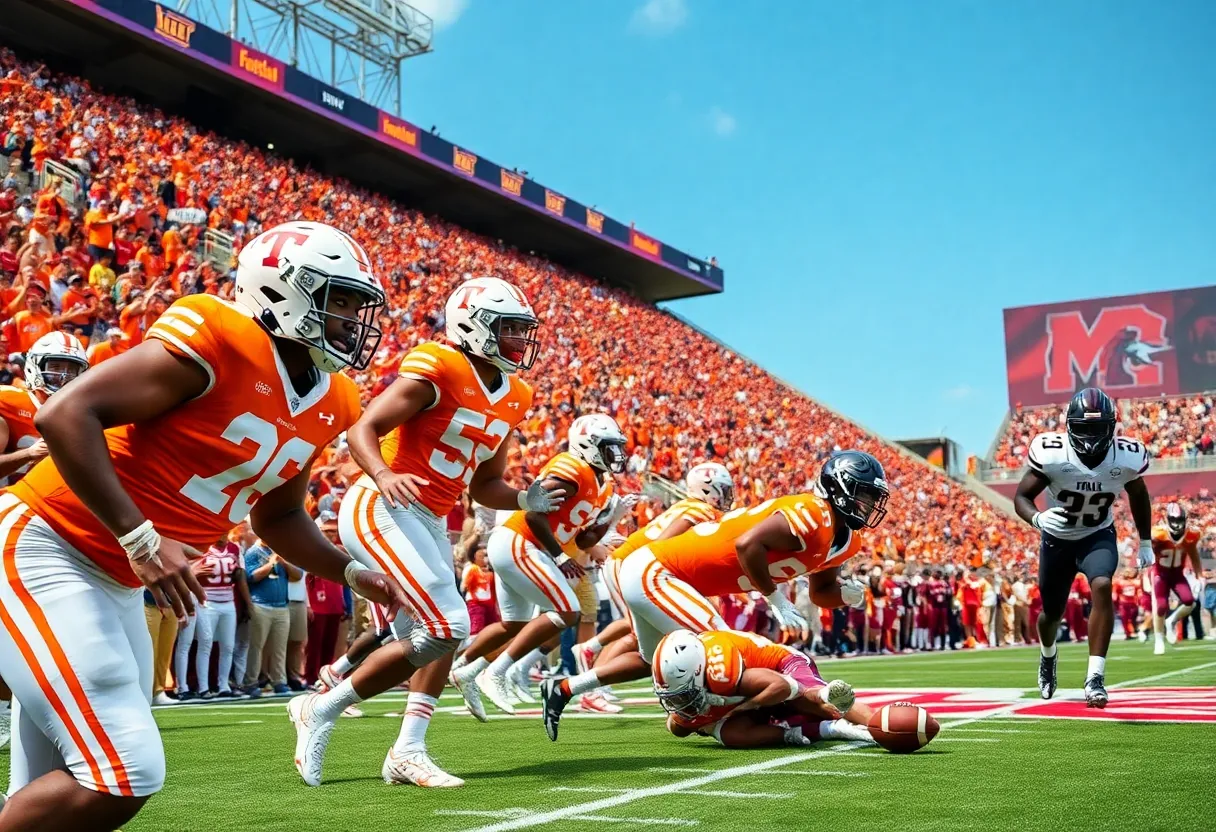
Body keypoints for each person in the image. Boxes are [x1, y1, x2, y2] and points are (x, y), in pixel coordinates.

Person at [0, 220, 407, 831]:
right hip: (47, 542)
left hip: (117, 582)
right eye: (339, 300)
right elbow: (66, 413)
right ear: (281, 290)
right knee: (123, 768)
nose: (353, 319)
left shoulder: (337, 398)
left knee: (53, 772)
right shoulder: (218, 334)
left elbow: (280, 514)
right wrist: (140, 536)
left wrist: (351, 571)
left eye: (357, 304)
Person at [289, 276, 560, 788]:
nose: (519, 341)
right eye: (509, 329)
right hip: (382, 504)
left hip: (430, 517)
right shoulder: (440, 364)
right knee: (447, 625)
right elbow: (362, 428)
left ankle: (407, 751)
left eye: (523, 330)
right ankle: (320, 708)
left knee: (435, 638)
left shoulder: (514, 394)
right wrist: (385, 474)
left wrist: (524, 499)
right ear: (474, 326)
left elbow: (486, 485)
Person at [541, 450, 887, 742]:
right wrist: (774, 596)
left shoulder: (846, 540)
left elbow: (821, 592)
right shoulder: (814, 512)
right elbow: (747, 544)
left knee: (650, 659)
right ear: (839, 488)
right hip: (658, 570)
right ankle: (728, 721)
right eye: (864, 494)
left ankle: (565, 689)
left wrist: (848, 596)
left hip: (659, 573)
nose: (869, 504)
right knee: (726, 652)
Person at [450, 413, 631, 717]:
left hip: (523, 545)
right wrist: (559, 557)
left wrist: (610, 519)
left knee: (514, 624)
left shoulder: (602, 484)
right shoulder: (572, 468)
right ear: (588, 445)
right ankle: (497, 672)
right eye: (608, 447)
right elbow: (534, 511)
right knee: (568, 611)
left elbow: (585, 540)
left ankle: (465, 669)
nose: (615, 454)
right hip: (520, 541)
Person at [1014, 387, 1153, 708]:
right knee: (1051, 613)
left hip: (1097, 534)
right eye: (1084, 428)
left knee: (1102, 585)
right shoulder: (1052, 452)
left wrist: (1145, 540)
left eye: (1098, 428)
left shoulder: (1127, 455)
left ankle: (1095, 678)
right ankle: (1048, 656)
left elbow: (1139, 495)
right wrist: (1037, 519)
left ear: (1111, 427)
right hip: (1057, 539)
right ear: (1069, 427)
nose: (1091, 436)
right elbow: (1021, 497)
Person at [571, 462, 734, 712]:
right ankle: (590, 666)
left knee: (642, 639)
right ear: (708, 489)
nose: (727, 496)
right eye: (723, 489)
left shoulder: (689, 506)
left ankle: (594, 676)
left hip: (629, 563)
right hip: (631, 566)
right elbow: (660, 544)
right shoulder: (701, 511)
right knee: (638, 636)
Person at [0, 331, 88, 747]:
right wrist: (26, 456)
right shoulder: (11, 404)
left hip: (47, 535)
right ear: (36, 365)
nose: (64, 377)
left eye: (73, 370)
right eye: (57, 367)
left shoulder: (82, 411)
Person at [653, 629, 872, 748]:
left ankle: (832, 699)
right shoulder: (686, 706)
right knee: (730, 735)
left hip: (783, 667)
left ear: (700, 670)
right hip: (756, 692)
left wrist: (744, 707)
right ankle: (823, 730)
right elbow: (677, 728)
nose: (679, 703)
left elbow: (784, 686)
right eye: (675, 696)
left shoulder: (722, 672)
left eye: (683, 694)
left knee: (803, 699)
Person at [193, 535, 247, 698]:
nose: (222, 536)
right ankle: (203, 687)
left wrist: (247, 603)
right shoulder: (201, 545)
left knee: (228, 645)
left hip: (228, 600)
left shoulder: (234, 548)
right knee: (205, 643)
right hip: (208, 600)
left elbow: (239, 575)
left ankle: (223, 685)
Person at [1149, 503, 1203, 653]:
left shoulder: (1192, 534)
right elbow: (1147, 551)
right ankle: (1159, 639)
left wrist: (1199, 576)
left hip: (1177, 574)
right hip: (1160, 574)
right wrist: (1145, 574)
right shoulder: (1158, 534)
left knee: (1189, 601)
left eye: (1179, 519)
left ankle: (1171, 621)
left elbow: (1194, 555)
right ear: (1167, 519)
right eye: (1173, 519)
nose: (1176, 523)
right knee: (1160, 606)